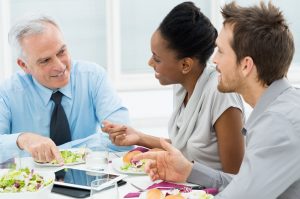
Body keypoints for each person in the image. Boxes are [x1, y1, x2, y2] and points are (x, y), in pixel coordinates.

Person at [134, 1, 300, 198]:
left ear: (246, 65)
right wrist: (189, 171)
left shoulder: (279, 125)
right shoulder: (279, 111)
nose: (214, 60)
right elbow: (245, 185)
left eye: (221, 51)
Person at [102, 1, 245, 174]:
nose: (150, 63)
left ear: (185, 65)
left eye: (157, 58)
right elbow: (186, 151)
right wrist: (139, 137)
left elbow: (235, 177)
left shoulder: (221, 94)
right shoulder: (182, 87)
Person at [0, 15, 131, 164]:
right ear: (24, 65)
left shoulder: (93, 77)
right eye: (45, 60)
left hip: (88, 183)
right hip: (34, 185)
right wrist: (22, 139)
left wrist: (58, 152)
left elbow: (124, 138)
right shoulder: (7, 92)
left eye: (61, 52)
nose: (60, 66)